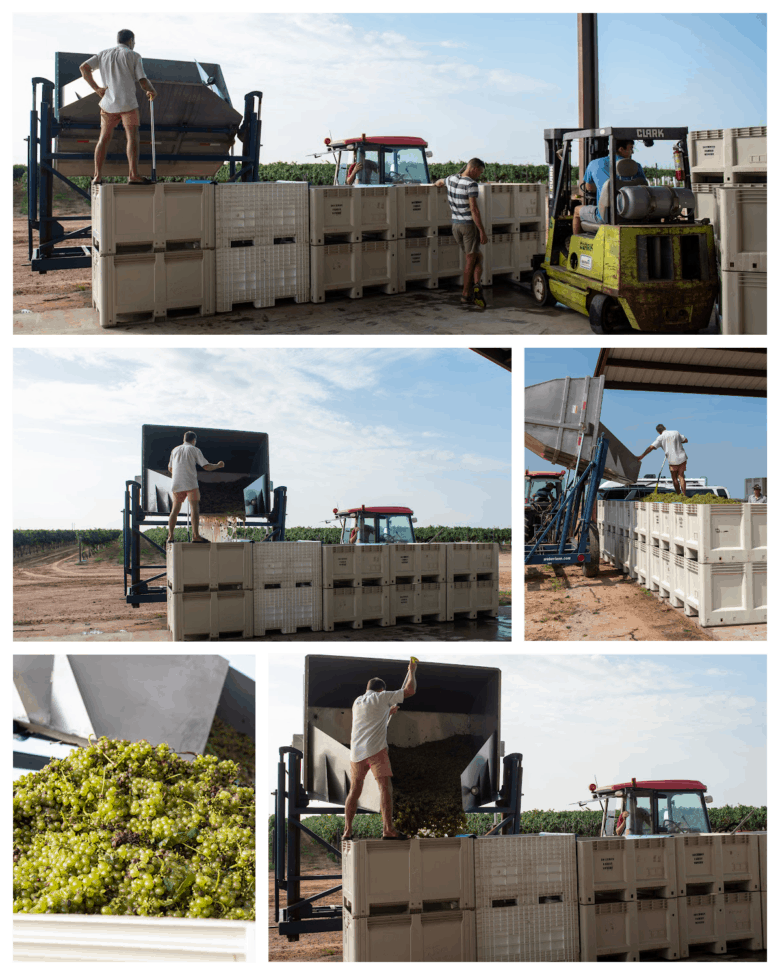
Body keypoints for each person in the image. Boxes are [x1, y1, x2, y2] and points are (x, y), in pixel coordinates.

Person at [343, 658, 418, 842]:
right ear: (382, 690)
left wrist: (388, 712)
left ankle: (347, 831)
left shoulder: (358, 701)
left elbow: (371, 719)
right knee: (385, 788)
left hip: (356, 754)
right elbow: (410, 690)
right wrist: (412, 671)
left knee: (354, 790)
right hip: (376, 751)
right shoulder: (382, 697)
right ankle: (388, 830)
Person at [80, 30, 157, 186]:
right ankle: (133, 175)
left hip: (108, 104)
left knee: (104, 138)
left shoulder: (103, 54)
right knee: (132, 137)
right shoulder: (133, 55)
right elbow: (142, 80)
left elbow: (84, 68)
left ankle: (97, 176)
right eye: (134, 42)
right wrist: (152, 90)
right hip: (128, 104)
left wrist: (97, 89)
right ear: (130, 41)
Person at [434, 158, 489, 309]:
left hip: (455, 226)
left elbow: (439, 182)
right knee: (471, 261)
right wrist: (482, 231)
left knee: (477, 257)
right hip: (468, 227)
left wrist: (435, 184)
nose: (479, 175)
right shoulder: (471, 184)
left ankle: (477, 286)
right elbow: (474, 210)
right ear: (473, 169)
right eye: (480, 172)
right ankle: (466, 294)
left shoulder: (451, 179)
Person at [572, 139, 647, 236]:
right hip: (634, 214)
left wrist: (602, 188)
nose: (632, 152)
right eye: (631, 148)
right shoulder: (636, 167)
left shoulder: (595, 164)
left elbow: (589, 188)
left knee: (577, 210)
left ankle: (575, 243)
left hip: (607, 217)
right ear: (621, 149)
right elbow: (644, 188)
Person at [166, 431, 225, 543]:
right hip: (190, 483)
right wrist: (218, 465)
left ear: (184, 439)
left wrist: (179, 473)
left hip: (176, 483)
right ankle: (196, 536)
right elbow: (206, 467)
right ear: (194, 440)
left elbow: (170, 468)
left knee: (175, 509)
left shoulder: (174, 450)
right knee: (194, 508)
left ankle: (170, 536)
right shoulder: (194, 449)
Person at [636, 424, 689, 496]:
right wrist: (678, 441)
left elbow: (651, 447)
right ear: (665, 428)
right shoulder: (676, 432)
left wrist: (642, 456)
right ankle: (684, 495)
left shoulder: (660, 437)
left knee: (674, 479)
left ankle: (679, 495)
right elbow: (685, 440)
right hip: (682, 458)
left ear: (658, 432)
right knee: (681, 477)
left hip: (672, 460)